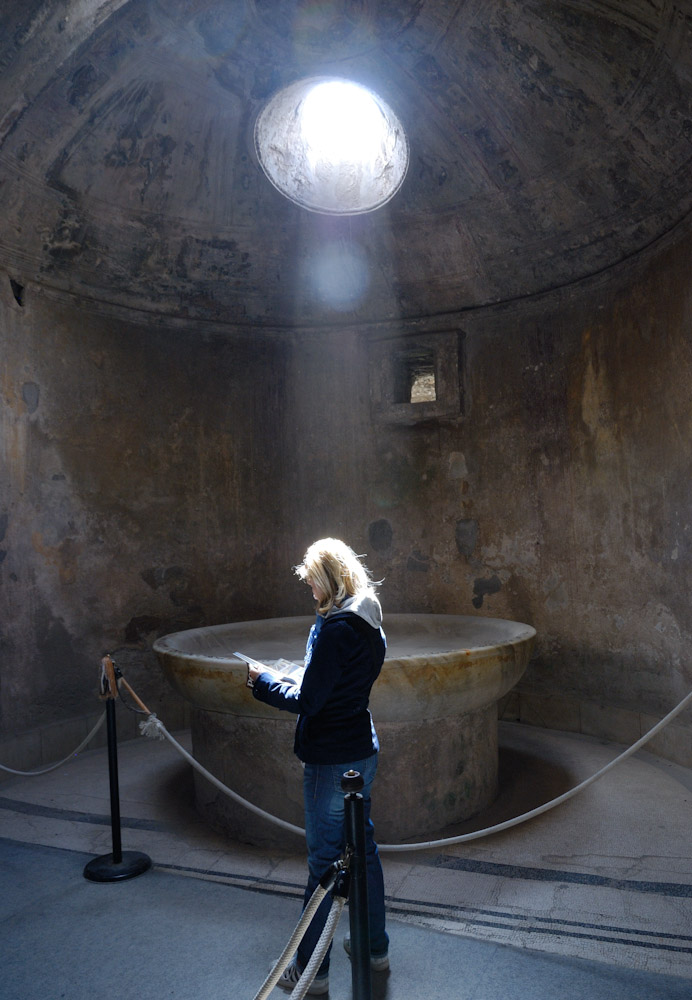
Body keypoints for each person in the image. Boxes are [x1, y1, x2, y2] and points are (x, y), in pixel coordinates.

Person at [247, 538, 389, 996]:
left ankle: (312, 972)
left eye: (311, 583)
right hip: (361, 751)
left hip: (330, 761)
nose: (309, 591)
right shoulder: (368, 622)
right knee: (363, 855)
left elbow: (310, 700)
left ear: (328, 580)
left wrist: (264, 681)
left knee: (324, 865)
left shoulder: (335, 629)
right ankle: (374, 948)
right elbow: (340, 688)